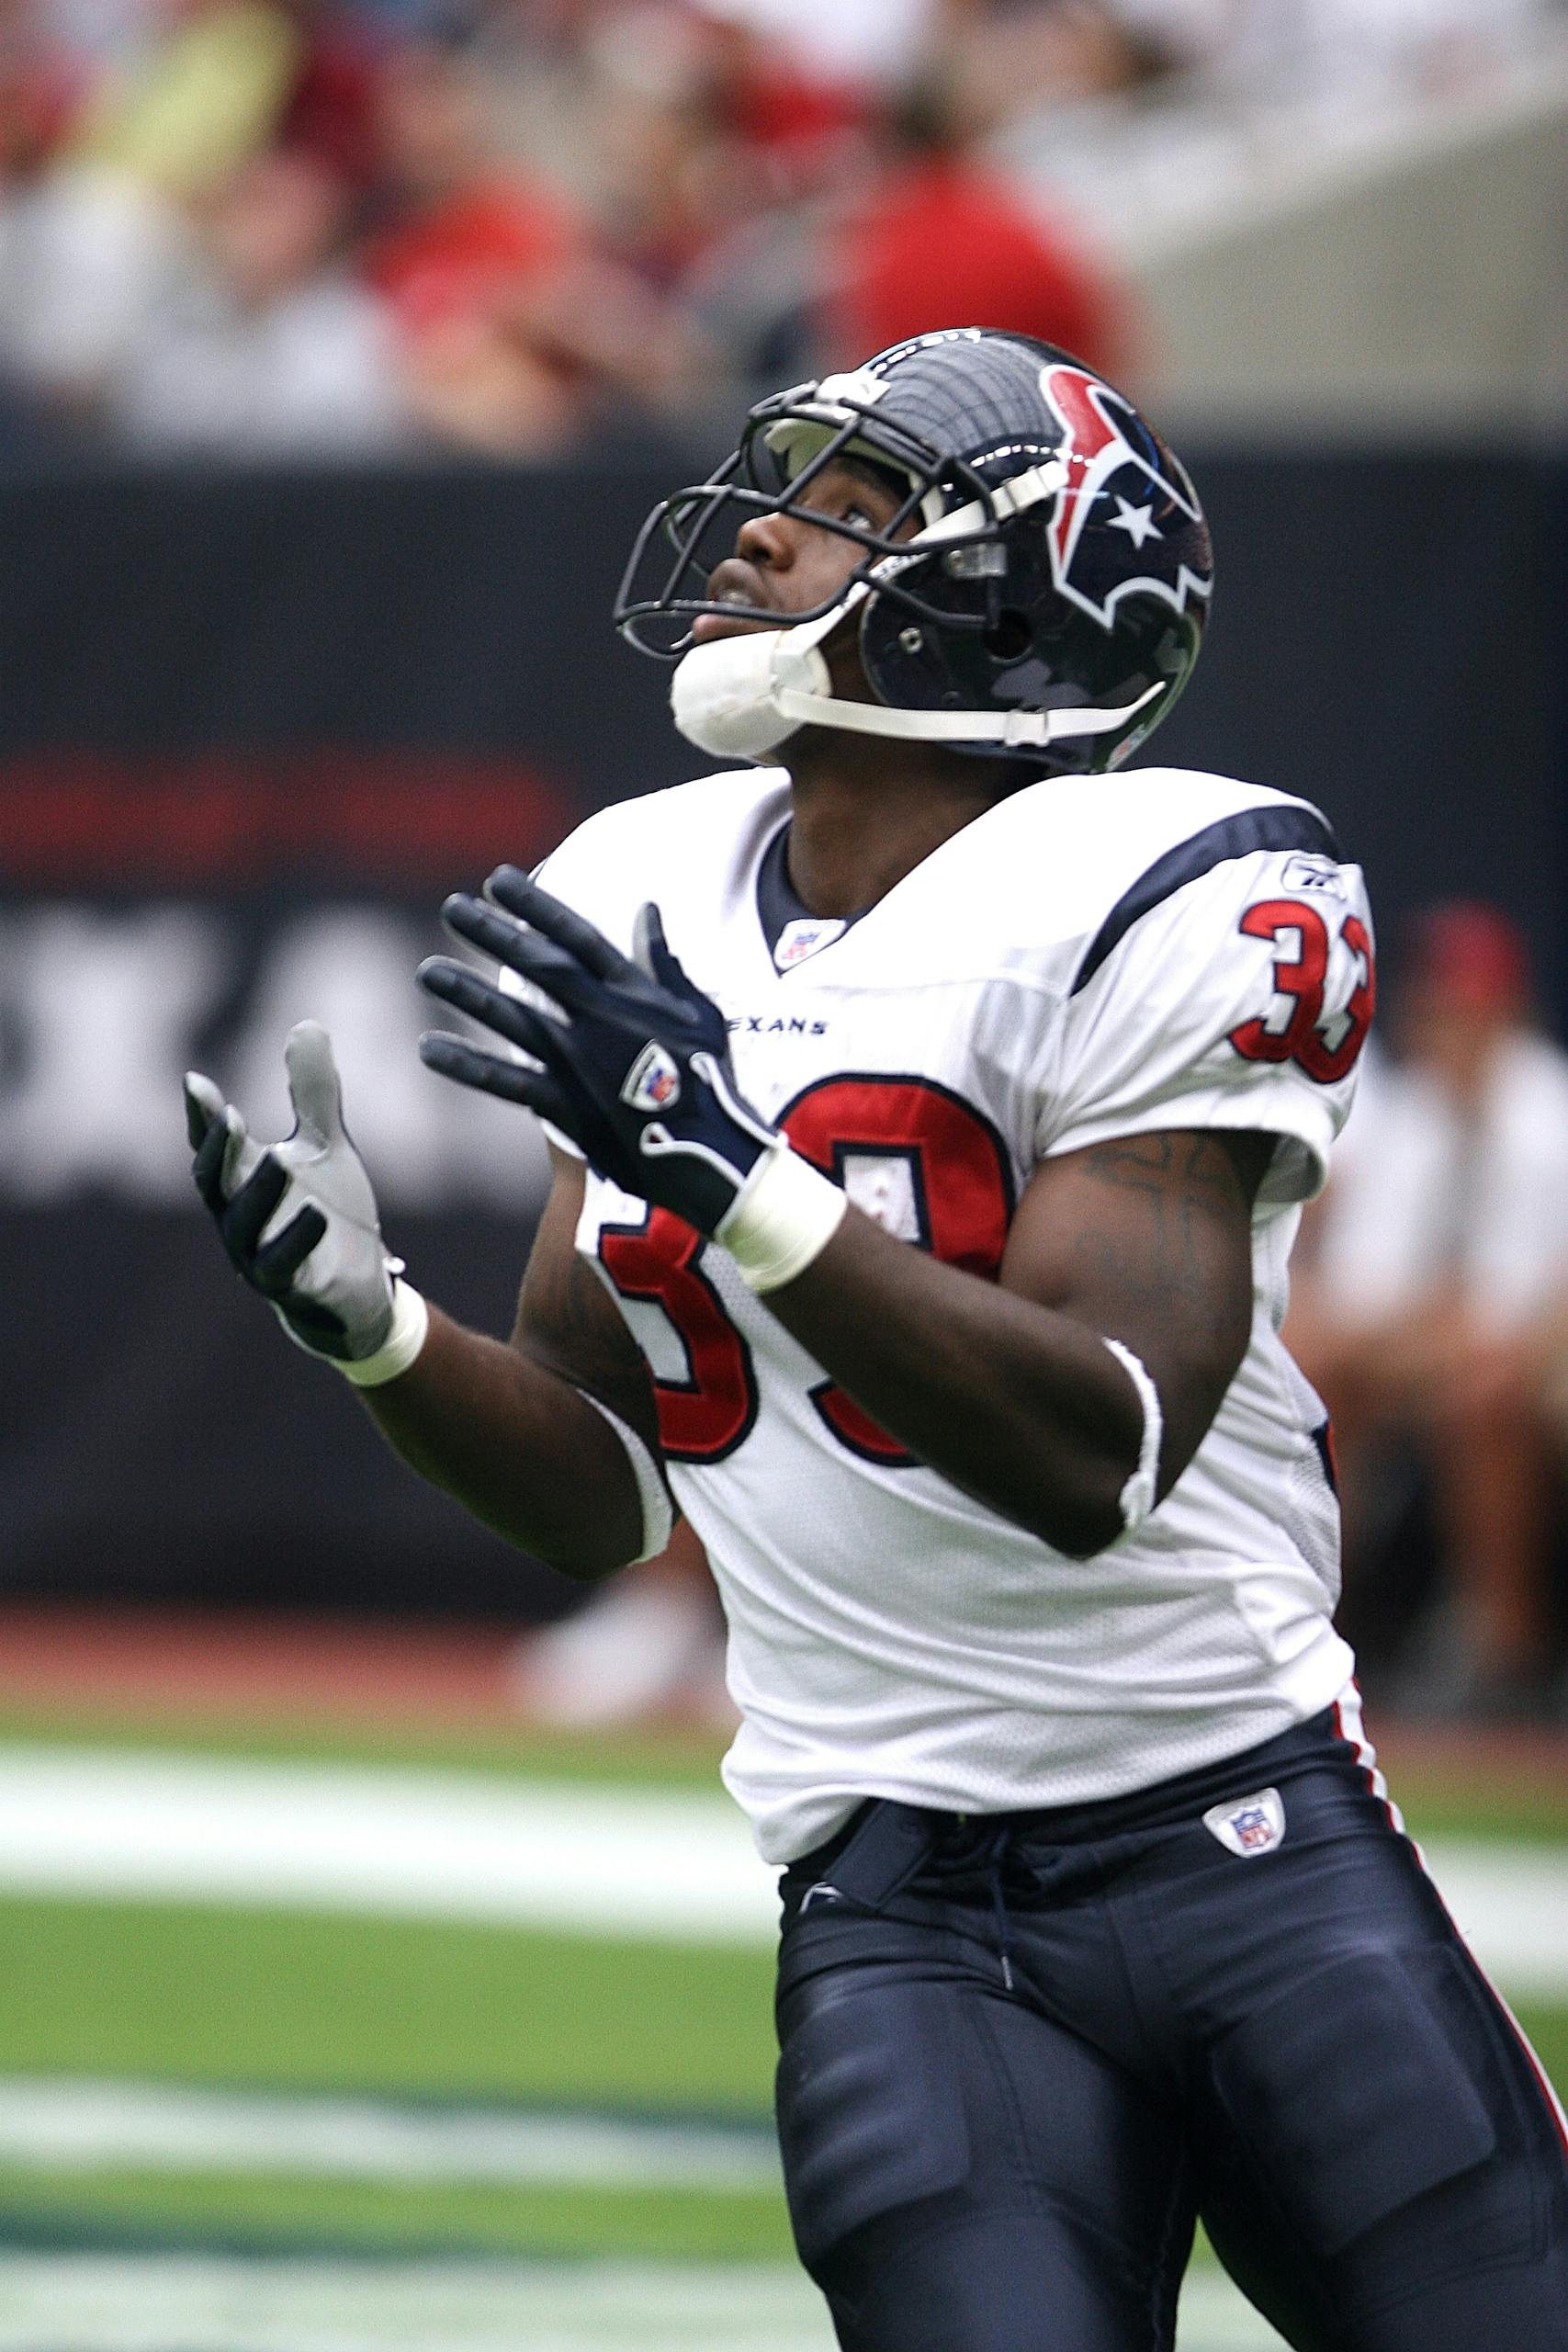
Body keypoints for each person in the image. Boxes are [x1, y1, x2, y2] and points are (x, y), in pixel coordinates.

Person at [185, 326, 1568, 2349]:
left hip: (1242, 1837)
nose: (759, 531)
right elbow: (601, 1483)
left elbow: (1092, 1449)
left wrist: (724, 1158)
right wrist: (379, 1331)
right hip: (892, 1903)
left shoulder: (1179, 880)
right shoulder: (648, 881)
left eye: (845, 507)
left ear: (1016, 594)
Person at [1287, 902, 1568, 1714]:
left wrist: (1414, 1333)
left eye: (1461, 1007)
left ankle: (1505, 1648)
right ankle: (1306, 1624)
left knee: (1481, 1395)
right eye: (1433, 1006)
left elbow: (1514, 1311)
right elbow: (1371, 1286)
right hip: (1438, 1345)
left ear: (1502, 1009)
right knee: (1307, 1370)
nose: (1442, 1024)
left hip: (1526, 1350)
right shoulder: (1406, 1114)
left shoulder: (1546, 1114)